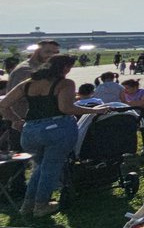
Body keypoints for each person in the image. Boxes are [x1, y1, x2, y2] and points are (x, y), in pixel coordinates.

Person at [0, 55, 110, 216]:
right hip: (57, 128)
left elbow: (3, 105)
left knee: (40, 167)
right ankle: (41, 204)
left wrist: (16, 120)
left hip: (30, 130)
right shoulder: (65, 83)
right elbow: (66, 108)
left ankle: (28, 205)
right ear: (64, 67)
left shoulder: (28, 83)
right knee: (51, 168)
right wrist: (94, 110)